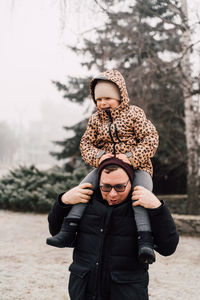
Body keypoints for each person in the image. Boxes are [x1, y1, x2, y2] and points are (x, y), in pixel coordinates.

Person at [46, 69, 159, 264]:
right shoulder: (95, 120)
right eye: (98, 100)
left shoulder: (134, 114)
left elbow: (150, 138)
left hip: (138, 166)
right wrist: (98, 156)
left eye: (108, 97)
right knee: (84, 189)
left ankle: (145, 241)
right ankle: (68, 230)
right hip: (105, 167)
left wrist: (131, 157)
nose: (102, 103)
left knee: (140, 196)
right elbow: (85, 144)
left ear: (120, 96)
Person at [47, 158, 179, 300]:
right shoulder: (84, 201)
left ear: (131, 181)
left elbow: (168, 247)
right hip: (83, 291)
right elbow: (56, 232)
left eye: (120, 187)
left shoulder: (145, 205)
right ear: (98, 182)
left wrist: (158, 209)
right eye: (106, 187)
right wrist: (62, 202)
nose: (112, 194)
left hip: (127, 293)